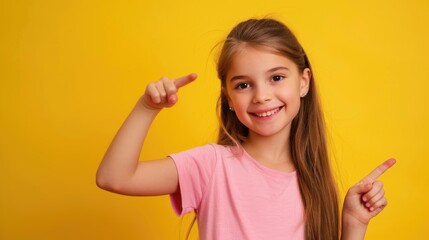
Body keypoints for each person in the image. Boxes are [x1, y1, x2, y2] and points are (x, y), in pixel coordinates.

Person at [96, 18, 395, 240]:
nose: (261, 95)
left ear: (303, 82)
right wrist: (147, 108)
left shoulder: (315, 183)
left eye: (276, 78)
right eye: (243, 84)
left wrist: (354, 225)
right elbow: (114, 177)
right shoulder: (211, 166)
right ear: (228, 96)